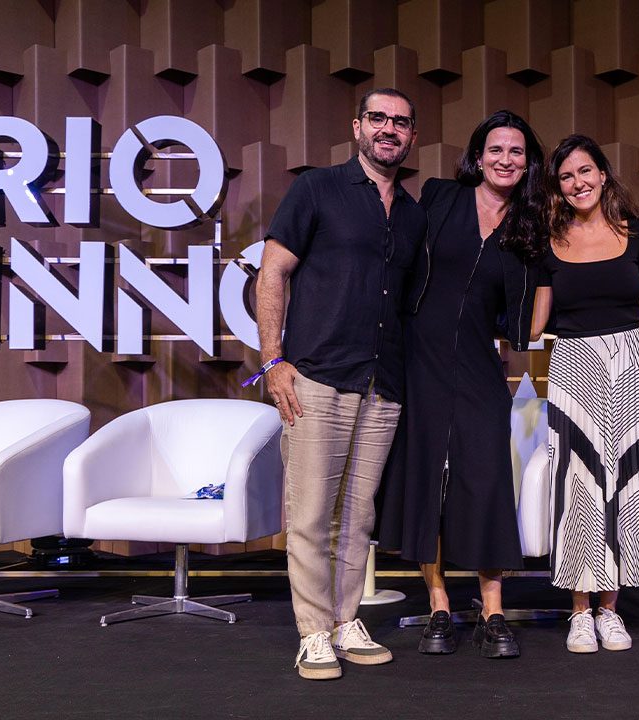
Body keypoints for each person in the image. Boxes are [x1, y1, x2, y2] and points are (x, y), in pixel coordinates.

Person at [256, 88, 426, 681]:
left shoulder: (410, 213)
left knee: (356, 517)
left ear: (411, 136)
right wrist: (273, 360)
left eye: (400, 123)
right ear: (357, 126)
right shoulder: (316, 190)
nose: (389, 129)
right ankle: (312, 633)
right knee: (308, 514)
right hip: (316, 375)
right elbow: (272, 271)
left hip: (382, 382)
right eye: (378, 118)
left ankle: (346, 618)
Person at [377, 110, 546, 659]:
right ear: (477, 156)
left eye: (516, 152)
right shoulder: (439, 197)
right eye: (495, 149)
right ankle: (439, 605)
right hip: (419, 357)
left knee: (485, 478)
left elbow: (524, 320)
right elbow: (401, 264)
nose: (505, 159)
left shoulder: (529, 226)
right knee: (428, 477)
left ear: (528, 163)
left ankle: (492, 610)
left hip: (479, 363)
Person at [530, 134, 639, 655]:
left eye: (585, 171)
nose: (578, 183)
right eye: (566, 176)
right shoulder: (547, 240)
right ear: (557, 186)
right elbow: (538, 321)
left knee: (630, 483)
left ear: (603, 174)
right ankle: (579, 612)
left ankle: (611, 610)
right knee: (579, 484)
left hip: (633, 360)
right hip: (573, 362)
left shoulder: (638, 234)